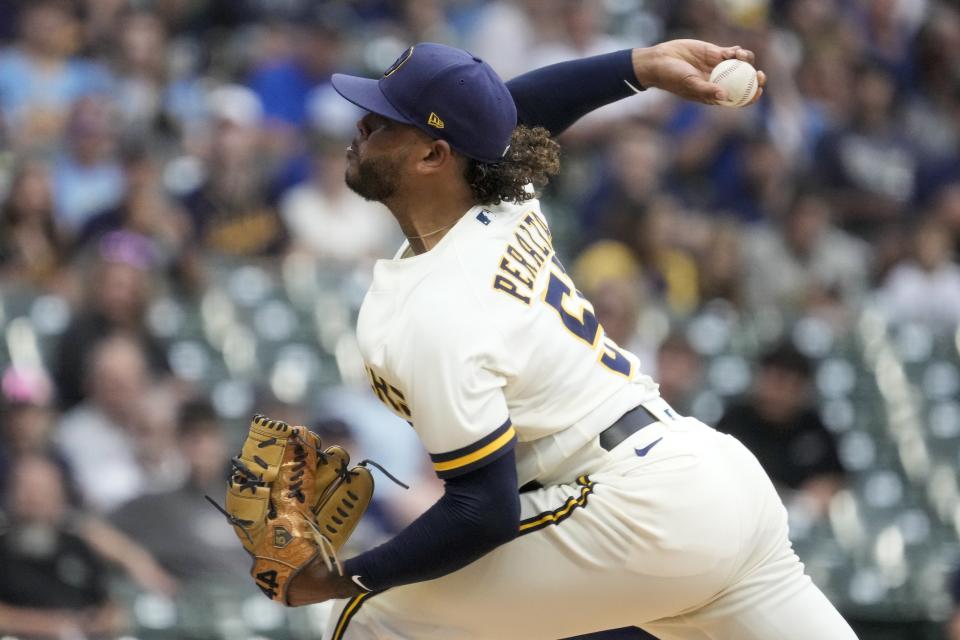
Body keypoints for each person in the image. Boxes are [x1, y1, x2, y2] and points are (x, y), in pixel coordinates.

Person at [268, 40, 857, 640]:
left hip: (638, 511)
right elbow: (503, 120)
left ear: (433, 155)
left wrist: (341, 576)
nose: (360, 124)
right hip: (711, 479)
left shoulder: (434, 311)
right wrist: (639, 67)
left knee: (366, 615)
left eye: (385, 120)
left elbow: (483, 511)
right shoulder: (502, 198)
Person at [716, 342, 846, 518]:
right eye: (774, 381)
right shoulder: (734, 421)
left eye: (789, 385)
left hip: (796, 526)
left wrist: (823, 491)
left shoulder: (815, 430)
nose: (779, 394)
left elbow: (833, 481)